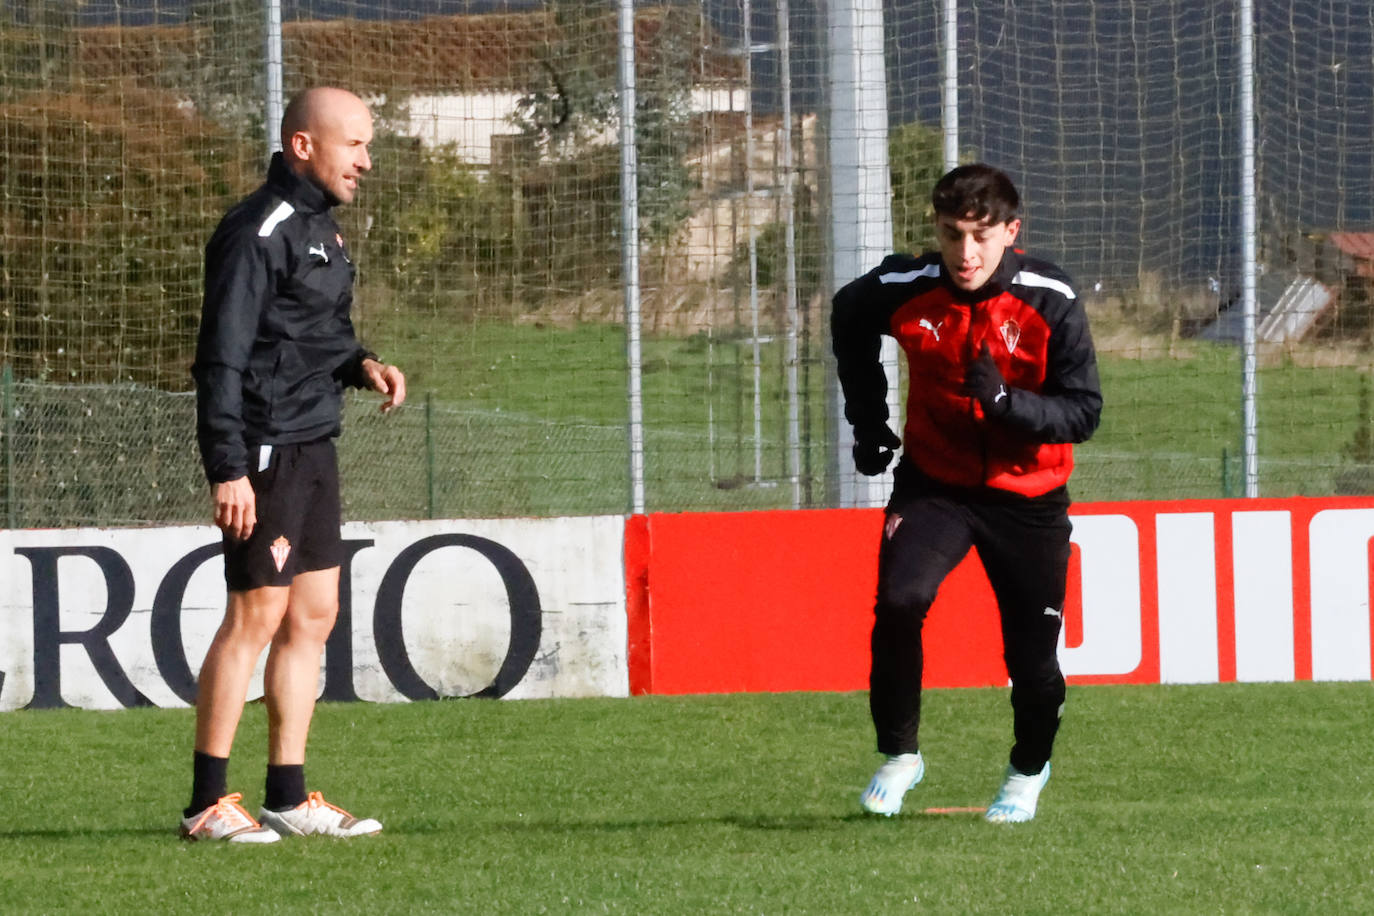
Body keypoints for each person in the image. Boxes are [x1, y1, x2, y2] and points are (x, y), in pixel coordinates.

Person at [831, 163, 1102, 824]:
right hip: (935, 486)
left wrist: (1009, 405)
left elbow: (1084, 413)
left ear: (1013, 232)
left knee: (1030, 658)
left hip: (1029, 499)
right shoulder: (909, 286)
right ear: (938, 230)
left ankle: (1026, 772)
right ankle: (900, 756)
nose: (966, 253)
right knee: (899, 601)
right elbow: (847, 313)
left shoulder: (1050, 298)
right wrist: (868, 420)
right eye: (953, 235)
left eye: (982, 236)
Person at [181, 87, 406, 842]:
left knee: (314, 615)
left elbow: (317, 334)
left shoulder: (324, 232)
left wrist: (363, 363)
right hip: (264, 447)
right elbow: (222, 358)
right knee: (258, 614)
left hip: (315, 442)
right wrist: (228, 465)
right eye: (355, 145)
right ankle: (207, 802)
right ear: (304, 146)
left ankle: (287, 794)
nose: (367, 161)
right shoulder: (258, 230)